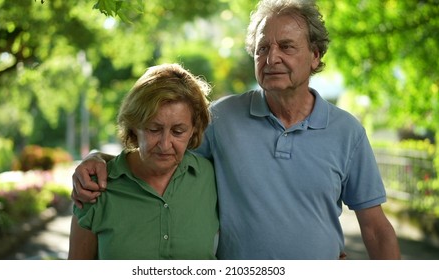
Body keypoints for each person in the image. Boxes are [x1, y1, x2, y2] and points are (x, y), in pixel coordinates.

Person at [71, 0, 401, 260]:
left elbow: (375, 231)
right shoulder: (222, 119)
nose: (271, 58)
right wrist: (98, 159)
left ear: (315, 55)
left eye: (286, 47)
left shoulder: (347, 132)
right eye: (262, 48)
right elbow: (160, 154)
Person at [68, 63, 219, 259]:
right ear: (134, 127)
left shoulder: (210, 178)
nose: (165, 145)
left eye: (178, 131)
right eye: (153, 129)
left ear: (193, 130)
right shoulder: (95, 189)